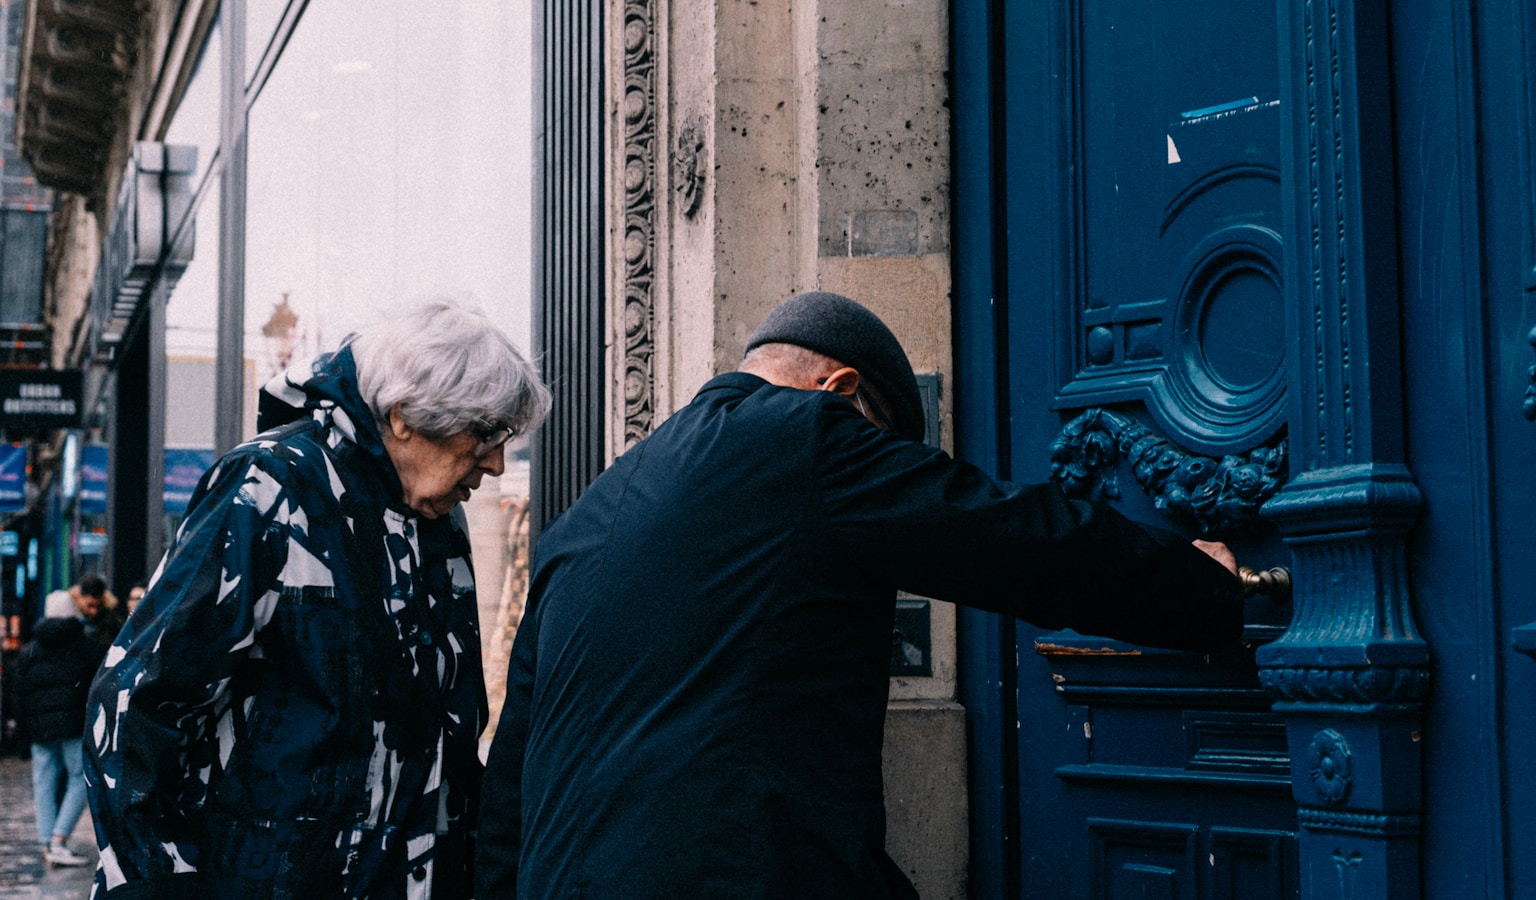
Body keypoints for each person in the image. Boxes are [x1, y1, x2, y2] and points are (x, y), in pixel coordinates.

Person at [476, 291, 1245, 898]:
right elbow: (1014, 539)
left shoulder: (588, 512)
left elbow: (511, 781)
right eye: (883, 445)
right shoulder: (809, 434)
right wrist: (1204, 588)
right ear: (840, 389)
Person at [83, 299, 550, 898]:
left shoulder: (438, 521)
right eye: (484, 433)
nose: (495, 463)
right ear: (405, 415)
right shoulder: (270, 488)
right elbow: (132, 705)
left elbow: (449, 736)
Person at [18, 589, 105, 868]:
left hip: (39, 729)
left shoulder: (30, 650)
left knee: (43, 781)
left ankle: (47, 840)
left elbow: (18, 694)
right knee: (79, 778)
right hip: (73, 724)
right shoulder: (86, 646)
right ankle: (59, 838)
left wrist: (22, 732)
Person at [68, 574, 124, 646]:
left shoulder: (111, 619)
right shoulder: (67, 611)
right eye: (90, 606)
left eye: (99, 606)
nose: (94, 612)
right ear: (79, 598)